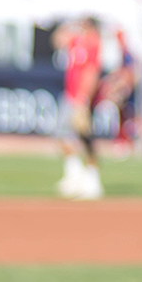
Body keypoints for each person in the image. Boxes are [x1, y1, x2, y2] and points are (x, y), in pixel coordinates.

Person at [51, 16, 104, 200]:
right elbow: (58, 40)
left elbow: (92, 72)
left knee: (85, 137)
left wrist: (83, 98)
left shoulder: (93, 44)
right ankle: (74, 175)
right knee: (62, 135)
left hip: (81, 98)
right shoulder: (77, 41)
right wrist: (68, 23)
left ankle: (92, 179)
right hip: (70, 95)